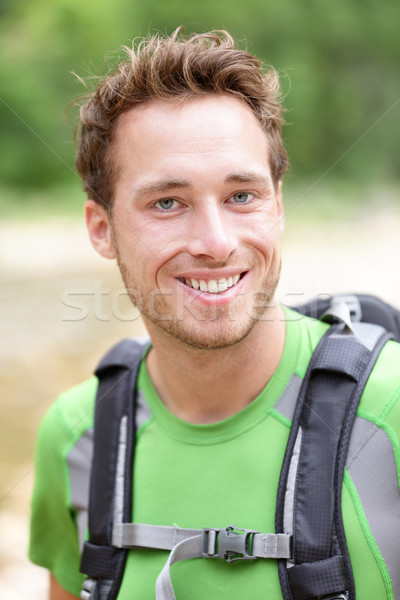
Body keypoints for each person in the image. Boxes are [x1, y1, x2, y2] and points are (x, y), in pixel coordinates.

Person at [29, 29, 400, 600]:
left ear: (278, 204)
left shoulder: (392, 408)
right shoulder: (79, 435)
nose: (215, 242)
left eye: (241, 196)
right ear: (102, 229)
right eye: (167, 203)